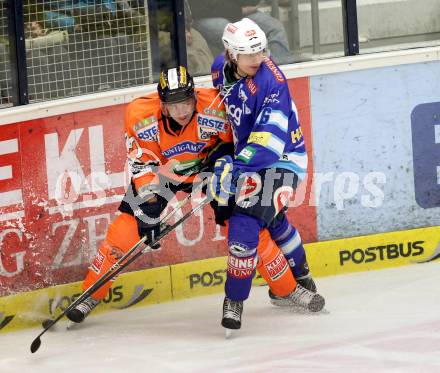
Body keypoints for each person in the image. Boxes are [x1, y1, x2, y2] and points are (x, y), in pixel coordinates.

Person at [66, 66, 303, 324]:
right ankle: (90, 293)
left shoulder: (215, 104)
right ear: (162, 104)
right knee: (125, 232)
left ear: (194, 96)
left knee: (245, 229)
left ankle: (286, 290)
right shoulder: (138, 114)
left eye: (186, 102)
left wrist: (220, 165)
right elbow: (143, 166)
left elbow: (233, 143)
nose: (182, 111)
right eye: (173, 104)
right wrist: (148, 209)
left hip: (210, 172)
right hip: (163, 173)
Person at [210, 18, 325, 330]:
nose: (257, 59)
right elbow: (225, 114)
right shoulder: (219, 69)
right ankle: (301, 280)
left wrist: (239, 166)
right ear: (230, 54)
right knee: (272, 220)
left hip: (283, 160)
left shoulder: (272, 81)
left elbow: (269, 139)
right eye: (248, 54)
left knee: (245, 222)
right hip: (249, 160)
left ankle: (234, 299)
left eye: (261, 52)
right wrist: (224, 157)